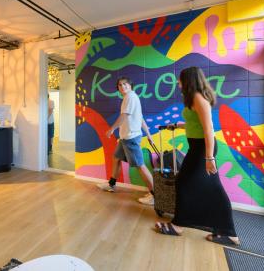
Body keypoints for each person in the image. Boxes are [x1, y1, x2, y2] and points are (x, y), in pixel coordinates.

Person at [154, 67, 240, 246]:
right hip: (198, 147)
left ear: (189, 80)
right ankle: (226, 231)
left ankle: (179, 225)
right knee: (200, 185)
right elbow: (197, 124)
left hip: (203, 149)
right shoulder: (194, 98)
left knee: (190, 183)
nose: (178, 83)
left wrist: (209, 158)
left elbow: (208, 128)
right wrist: (178, 125)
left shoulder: (198, 98)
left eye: (180, 80)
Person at [97, 77, 156, 205]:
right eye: (120, 85)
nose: (122, 86)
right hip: (125, 138)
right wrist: (149, 134)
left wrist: (112, 129)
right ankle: (111, 185)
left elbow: (124, 116)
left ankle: (155, 195)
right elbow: (140, 118)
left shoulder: (130, 97)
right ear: (118, 88)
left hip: (131, 138)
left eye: (125, 84)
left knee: (140, 165)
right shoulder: (131, 98)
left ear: (130, 85)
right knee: (116, 158)